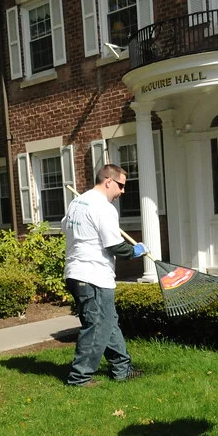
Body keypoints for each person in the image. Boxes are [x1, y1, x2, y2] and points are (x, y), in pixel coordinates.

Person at [62, 164, 148, 387]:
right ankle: (79, 378)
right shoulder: (104, 207)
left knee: (108, 322)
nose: (123, 191)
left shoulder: (77, 202)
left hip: (76, 273)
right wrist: (135, 251)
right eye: (121, 185)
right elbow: (115, 246)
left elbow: (65, 227)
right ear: (108, 181)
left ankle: (122, 369)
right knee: (97, 327)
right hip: (93, 276)